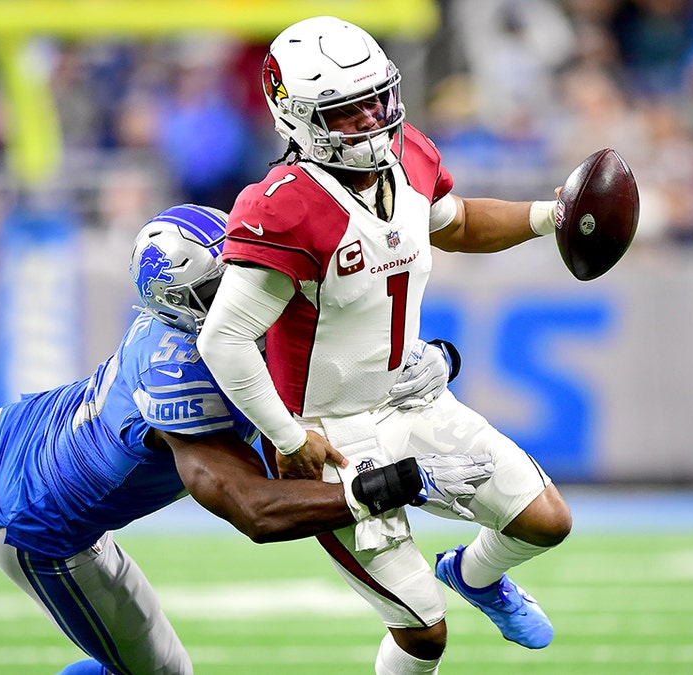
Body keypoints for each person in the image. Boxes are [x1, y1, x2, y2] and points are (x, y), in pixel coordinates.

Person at [0, 203, 483, 675]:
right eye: (222, 285)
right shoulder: (195, 378)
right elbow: (252, 507)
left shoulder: (199, 324)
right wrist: (388, 482)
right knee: (160, 673)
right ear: (184, 305)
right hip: (46, 526)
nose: (246, 288)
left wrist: (428, 358)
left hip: (20, 439)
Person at [197, 16, 574, 674]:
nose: (373, 120)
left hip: (411, 396)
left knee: (546, 520)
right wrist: (288, 438)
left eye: (378, 99)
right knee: (424, 631)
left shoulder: (411, 157)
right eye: (348, 112)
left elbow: (456, 224)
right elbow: (224, 339)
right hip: (332, 433)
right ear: (300, 121)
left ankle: (476, 575)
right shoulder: (283, 206)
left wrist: (550, 216)